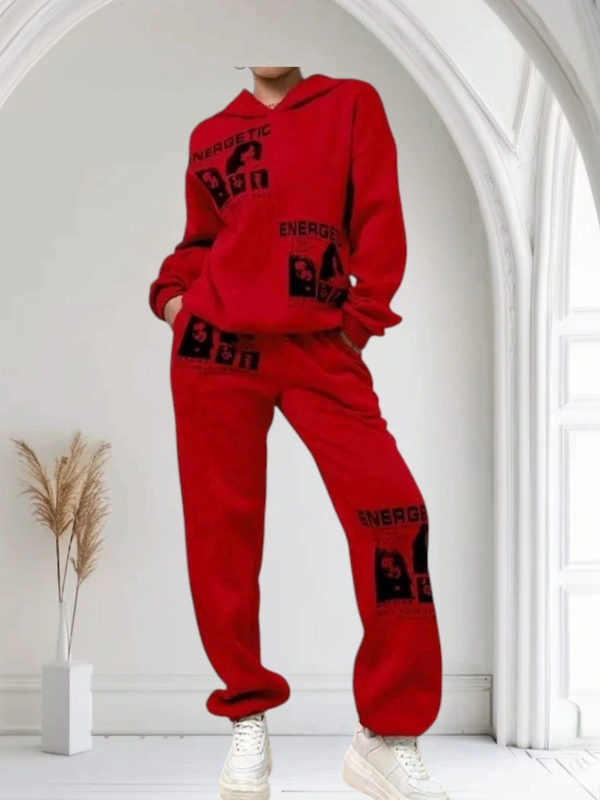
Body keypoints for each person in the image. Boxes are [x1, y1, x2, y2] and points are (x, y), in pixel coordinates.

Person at [149, 67, 447, 800]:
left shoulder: (349, 104)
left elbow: (379, 215)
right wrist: (177, 304)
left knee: (395, 515)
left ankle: (386, 736)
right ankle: (245, 715)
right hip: (217, 349)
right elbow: (199, 241)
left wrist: (358, 321)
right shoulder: (212, 135)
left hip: (319, 344)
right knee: (221, 536)